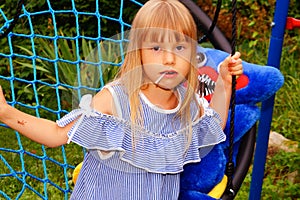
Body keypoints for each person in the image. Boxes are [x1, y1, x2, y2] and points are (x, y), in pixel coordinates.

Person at [0, 0, 243, 199]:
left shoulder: (186, 103)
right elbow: (56, 134)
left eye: (179, 48)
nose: (169, 59)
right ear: (138, 52)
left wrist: (224, 84)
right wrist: (5, 112)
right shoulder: (116, 98)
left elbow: (214, 124)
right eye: (156, 48)